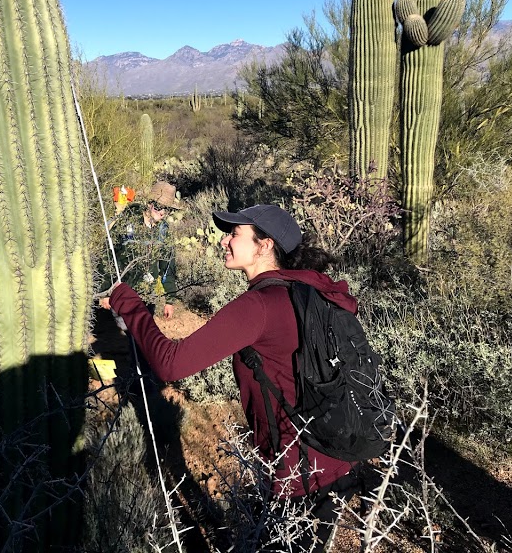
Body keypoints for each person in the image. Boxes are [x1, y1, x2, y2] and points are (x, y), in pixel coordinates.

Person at [101, 204, 360, 551]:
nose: (225, 240)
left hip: (297, 473)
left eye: (235, 234)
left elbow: (169, 363)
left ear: (264, 245)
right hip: (333, 457)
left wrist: (127, 302)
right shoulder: (310, 291)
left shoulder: (260, 306)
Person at [103, 180, 182, 319]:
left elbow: (168, 266)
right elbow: (110, 255)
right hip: (122, 290)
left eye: (167, 209)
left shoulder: (164, 231)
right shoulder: (127, 222)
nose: (163, 212)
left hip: (148, 295)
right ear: (149, 204)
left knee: (142, 334)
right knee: (127, 331)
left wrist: (170, 299)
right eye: (158, 206)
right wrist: (105, 290)